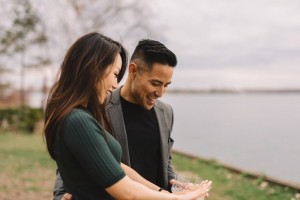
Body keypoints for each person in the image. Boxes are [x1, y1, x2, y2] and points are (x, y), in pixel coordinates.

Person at [44, 32, 211, 200]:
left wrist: (171, 190)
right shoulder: (95, 109)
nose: (160, 92)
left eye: (166, 85)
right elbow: (77, 160)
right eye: (155, 83)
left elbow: (162, 161)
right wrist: (60, 196)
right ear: (133, 71)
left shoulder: (166, 112)